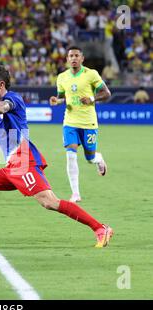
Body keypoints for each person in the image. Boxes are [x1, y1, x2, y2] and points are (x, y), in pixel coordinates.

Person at [0, 65, 114, 248]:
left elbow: (2, 108)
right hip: (10, 167)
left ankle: (101, 228)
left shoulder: (13, 99)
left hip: (24, 161)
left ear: (1, 84)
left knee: (50, 202)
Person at [49, 46, 111, 203]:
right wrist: (57, 101)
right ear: (67, 59)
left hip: (89, 123)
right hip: (70, 122)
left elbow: (106, 94)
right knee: (70, 156)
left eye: (77, 55)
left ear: (82, 58)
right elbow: (62, 97)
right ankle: (75, 193)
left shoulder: (91, 74)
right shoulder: (62, 77)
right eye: (71, 56)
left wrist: (91, 99)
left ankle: (98, 159)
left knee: (89, 158)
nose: (74, 58)